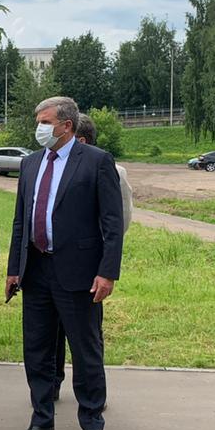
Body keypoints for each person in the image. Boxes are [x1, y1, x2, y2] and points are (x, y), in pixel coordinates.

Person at [6, 97, 123, 430]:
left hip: (80, 273)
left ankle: (92, 425)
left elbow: (112, 223)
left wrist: (107, 272)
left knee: (86, 352)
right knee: (37, 350)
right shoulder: (30, 163)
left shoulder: (96, 161)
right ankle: (42, 420)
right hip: (36, 270)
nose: (39, 129)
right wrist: (14, 268)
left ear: (66, 126)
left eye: (45, 122)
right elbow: (21, 220)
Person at [53, 112, 134, 395]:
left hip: (87, 266)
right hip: (52, 265)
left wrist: (102, 258)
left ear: (81, 140)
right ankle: (52, 383)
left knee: (86, 335)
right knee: (52, 332)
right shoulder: (51, 165)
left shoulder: (109, 168)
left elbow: (119, 220)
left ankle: (91, 394)